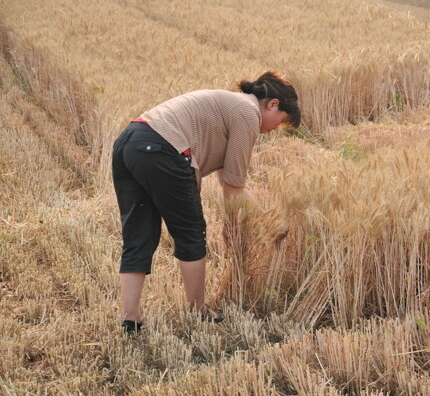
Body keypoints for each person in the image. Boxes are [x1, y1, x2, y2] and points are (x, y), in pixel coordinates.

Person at [111, 71, 301, 333]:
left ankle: (131, 318)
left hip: (129, 142)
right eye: (279, 122)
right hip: (164, 149)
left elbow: (230, 183)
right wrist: (250, 227)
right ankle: (197, 311)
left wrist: (251, 221)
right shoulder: (248, 113)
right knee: (191, 233)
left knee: (138, 235)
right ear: (272, 104)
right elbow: (234, 188)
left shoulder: (231, 105)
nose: (272, 129)